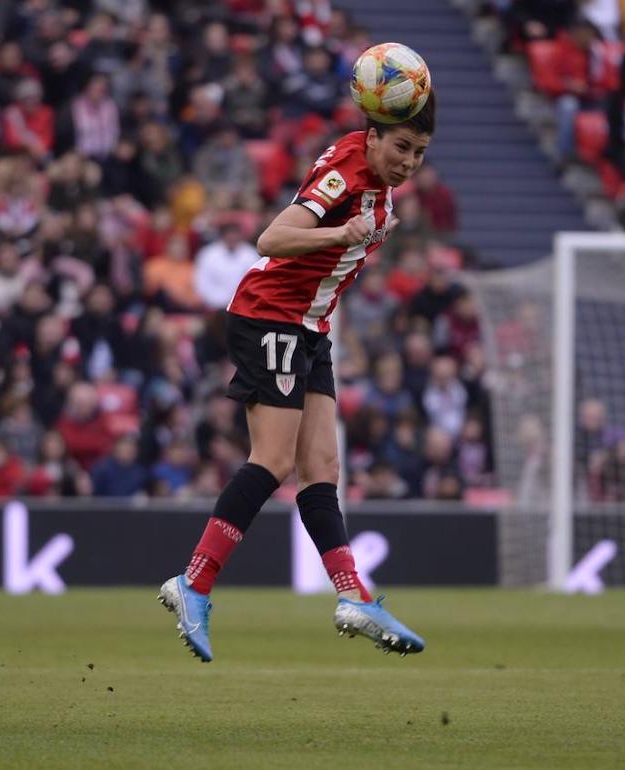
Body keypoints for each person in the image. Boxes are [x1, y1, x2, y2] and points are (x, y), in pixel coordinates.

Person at [157, 92, 437, 663]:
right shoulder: (347, 172)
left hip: (310, 325)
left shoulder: (377, 186)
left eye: (420, 152)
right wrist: (342, 235)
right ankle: (194, 583)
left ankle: (353, 597)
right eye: (402, 146)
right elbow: (273, 239)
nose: (409, 161)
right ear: (375, 135)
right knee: (275, 460)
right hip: (270, 314)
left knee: (322, 469)